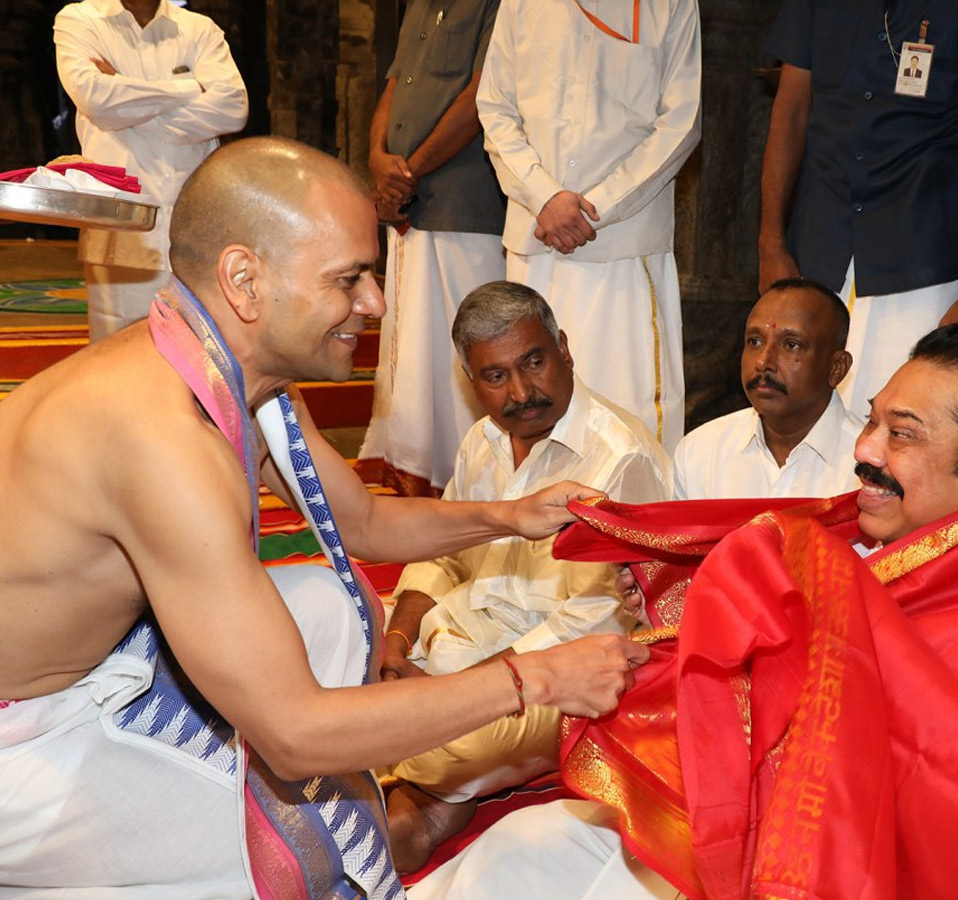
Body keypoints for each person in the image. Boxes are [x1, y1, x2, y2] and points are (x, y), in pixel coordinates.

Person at [0, 137, 647, 899]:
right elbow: (296, 735)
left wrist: (513, 514)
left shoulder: (226, 369)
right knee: (306, 847)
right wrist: (533, 678)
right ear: (245, 281)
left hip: (102, 663)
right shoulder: (161, 440)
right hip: (28, 740)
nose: (374, 303)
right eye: (350, 279)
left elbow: (366, 525)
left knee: (333, 607)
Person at [409, 325, 958, 900]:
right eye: (871, 421)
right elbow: (768, 606)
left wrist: (839, 619)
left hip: (842, 866)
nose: (865, 450)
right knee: (517, 852)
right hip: (745, 814)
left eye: (901, 435)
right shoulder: (890, 521)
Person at [379, 279, 671, 871]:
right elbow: (444, 551)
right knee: (338, 643)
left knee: (427, 738)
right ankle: (436, 796)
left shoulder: (618, 456)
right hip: (458, 641)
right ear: (470, 379)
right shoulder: (482, 441)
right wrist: (396, 643)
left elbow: (594, 624)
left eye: (533, 362)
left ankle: (419, 787)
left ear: (564, 348)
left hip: (559, 678)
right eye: (495, 377)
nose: (520, 392)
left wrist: (450, 693)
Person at [757, 0, 958, 417]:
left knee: (902, 438)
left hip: (925, 267)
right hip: (817, 248)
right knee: (794, 428)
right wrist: (771, 242)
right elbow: (789, 110)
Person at [475, 0, 701, 450]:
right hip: (536, 242)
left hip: (623, 245)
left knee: (628, 407)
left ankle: (629, 520)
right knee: (529, 402)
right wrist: (544, 197)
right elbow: (495, 108)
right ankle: (536, 514)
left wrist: (595, 207)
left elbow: (682, 122)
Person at [357, 0, 507, 497]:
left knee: (462, 342)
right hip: (410, 202)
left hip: (464, 204)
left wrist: (409, 172)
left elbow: (481, 98)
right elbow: (395, 87)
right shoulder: (420, 5)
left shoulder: (498, 4)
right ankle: (414, 466)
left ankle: (467, 480)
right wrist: (378, 159)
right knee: (415, 341)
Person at [54, 0, 248, 341]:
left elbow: (233, 111)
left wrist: (126, 100)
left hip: (195, 226)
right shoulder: (80, 20)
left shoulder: (199, 29)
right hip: (119, 227)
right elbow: (96, 100)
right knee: (117, 362)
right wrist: (190, 87)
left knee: (198, 363)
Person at [673, 277, 861, 500]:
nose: (763, 362)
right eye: (755, 342)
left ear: (836, 368)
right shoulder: (700, 452)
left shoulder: (869, 465)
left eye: (791, 345)